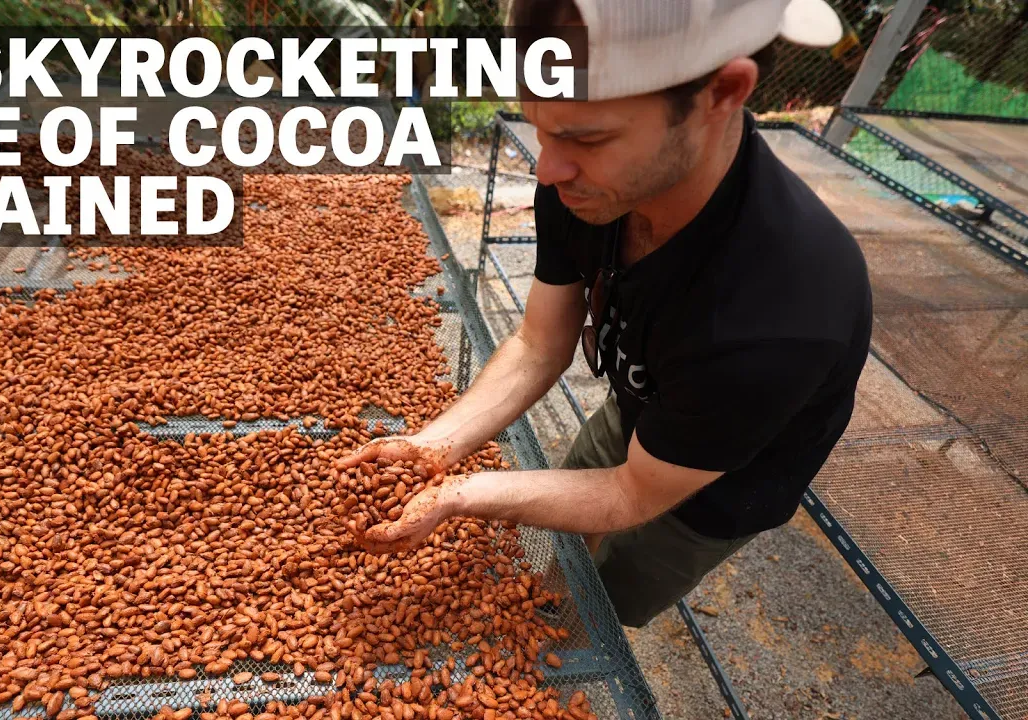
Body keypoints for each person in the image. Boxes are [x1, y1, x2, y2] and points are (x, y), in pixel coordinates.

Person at [336, 0, 873, 628]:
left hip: (711, 489)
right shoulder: (586, 187)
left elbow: (633, 493)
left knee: (597, 604)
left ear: (722, 92)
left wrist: (461, 495)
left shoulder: (781, 313)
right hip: (643, 397)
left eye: (586, 137)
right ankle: (548, 596)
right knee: (562, 545)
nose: (547, 169)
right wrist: (436, 447)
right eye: (541, 129)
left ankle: (561, 624)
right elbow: (540, 341)